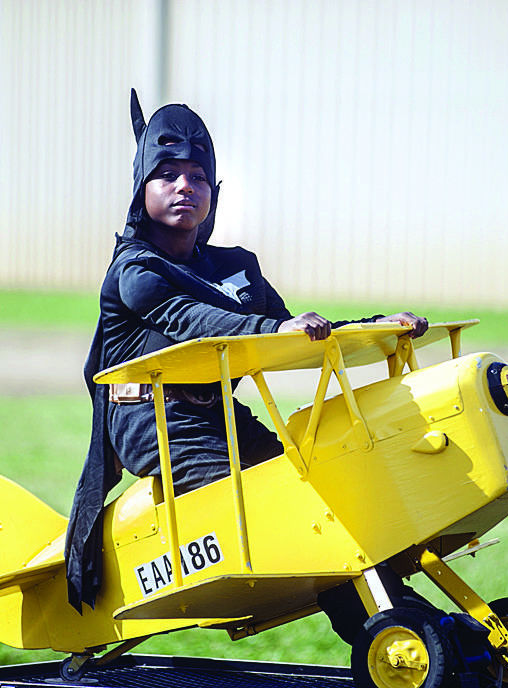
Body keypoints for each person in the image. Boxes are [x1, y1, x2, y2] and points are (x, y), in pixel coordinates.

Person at [64, 90, 428, 611]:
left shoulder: (237, 267)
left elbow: (293, 330)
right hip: (150, 420)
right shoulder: (134, 270)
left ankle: (405, 624)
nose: (184, 187)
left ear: (215, 190)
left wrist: (374, 326)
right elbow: (193, 322)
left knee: (318, 500)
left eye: (198, 176)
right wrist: (271, 327)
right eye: (166, 175)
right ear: (141, 189)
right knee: (278, 510)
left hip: (218, 414)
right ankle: (393, 626)